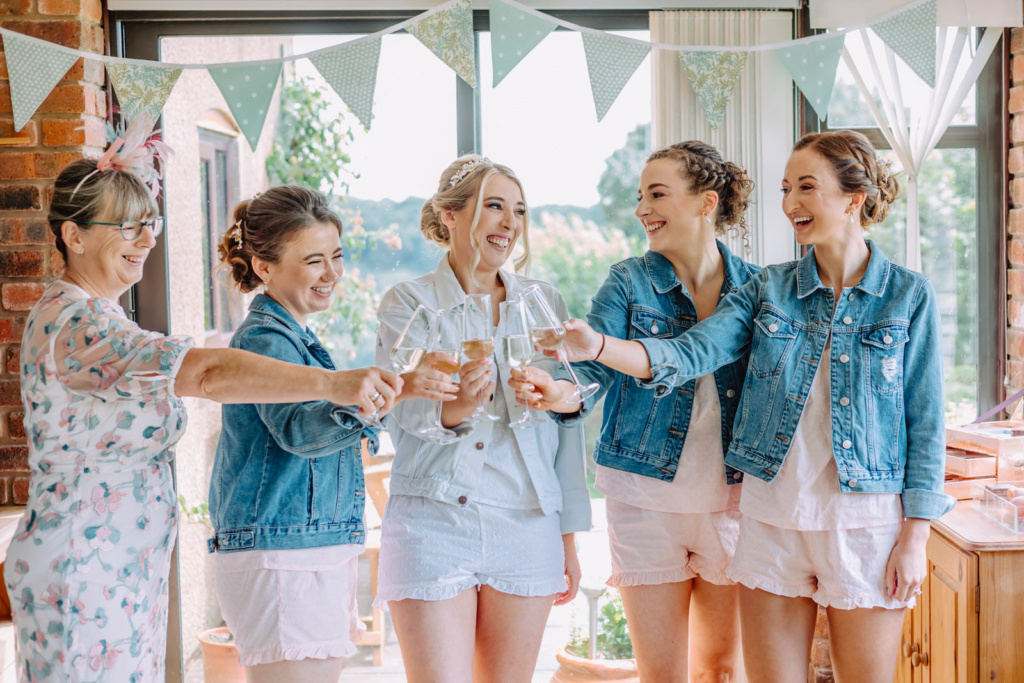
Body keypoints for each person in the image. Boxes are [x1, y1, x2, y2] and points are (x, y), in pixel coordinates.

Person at [523, 131, 953, 682]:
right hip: (770, 515)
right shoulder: (767, 289)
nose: (790, 203)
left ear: (853, 198)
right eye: (785, 188)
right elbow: (694, 350)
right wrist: (598, 347)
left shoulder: (908, 295)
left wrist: (916, 535)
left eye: (805, 187)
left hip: (864, 519)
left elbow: (926, 421)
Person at [4, 130, 401, 683]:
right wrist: (335, 386)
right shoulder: (77, 324)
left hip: (120, 561)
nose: (145, 239)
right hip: (82, 564)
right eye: (127, 226)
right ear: (73, 235)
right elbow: (208, 372)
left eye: (151, 224)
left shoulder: (104, 317)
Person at [511, 141, 758, 681]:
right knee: (661, 673)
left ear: (705, 202)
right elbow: (587, 376)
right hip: (644, 497)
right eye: (640, 197)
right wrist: (559, 394)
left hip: (734, 499)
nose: (643, 209)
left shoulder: (756, 289)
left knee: (718, 670)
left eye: (657, 194)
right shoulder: (628, 281)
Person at [206, 186, 458, 682]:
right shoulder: (265, 339)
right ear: (264, 267)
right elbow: (301, 432)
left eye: (336, 257)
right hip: (284, 555)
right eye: (314, 260)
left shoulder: (296, 336)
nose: (332, 274)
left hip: (305, 547)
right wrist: (398, 388)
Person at [374, 155, 591, 682]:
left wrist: (567, 540)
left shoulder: (542, 301)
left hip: (527, 525)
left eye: (518, 211)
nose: (510, 223)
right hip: (433, 521)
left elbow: (565, 431)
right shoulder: (409, 303)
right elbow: (394, 412)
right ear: (450, 215)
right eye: (494, 206)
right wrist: (456, 409)